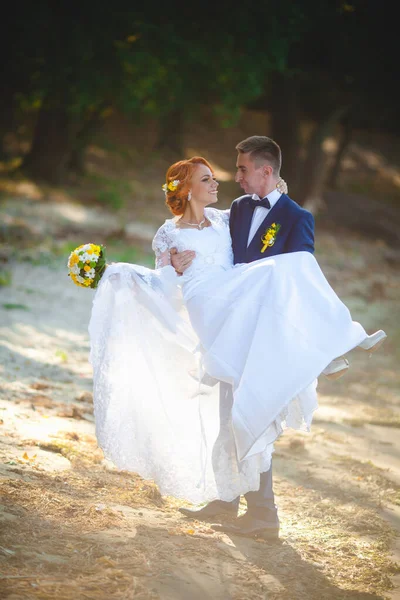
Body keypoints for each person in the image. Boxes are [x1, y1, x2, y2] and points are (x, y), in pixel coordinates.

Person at [88, 143, 386, 540]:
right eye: (208, 178)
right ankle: (241, 502)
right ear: (187, 189)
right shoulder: (191, 226)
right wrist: (144, 270)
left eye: (235, 171)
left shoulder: (229, 218)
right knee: (240, 403)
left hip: (247, 320)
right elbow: (164, 285)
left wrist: (276, 184)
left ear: (263, 171)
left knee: (242, 406)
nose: (225, 180)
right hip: (214, 311)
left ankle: (251, 506)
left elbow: (286, 248)